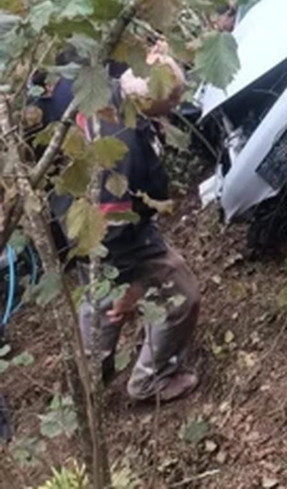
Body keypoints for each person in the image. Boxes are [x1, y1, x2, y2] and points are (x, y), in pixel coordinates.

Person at [72, 49, 200, 402]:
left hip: (84, 230)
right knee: (180, 295)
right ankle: (150, 381)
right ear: (148, 101)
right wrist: (131, 285)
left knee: (99, 305)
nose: (177, 104)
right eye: (172, 98)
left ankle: (87, 387)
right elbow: (111, 227)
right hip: (117, 241)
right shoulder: (122, 144)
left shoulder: (106, 95)